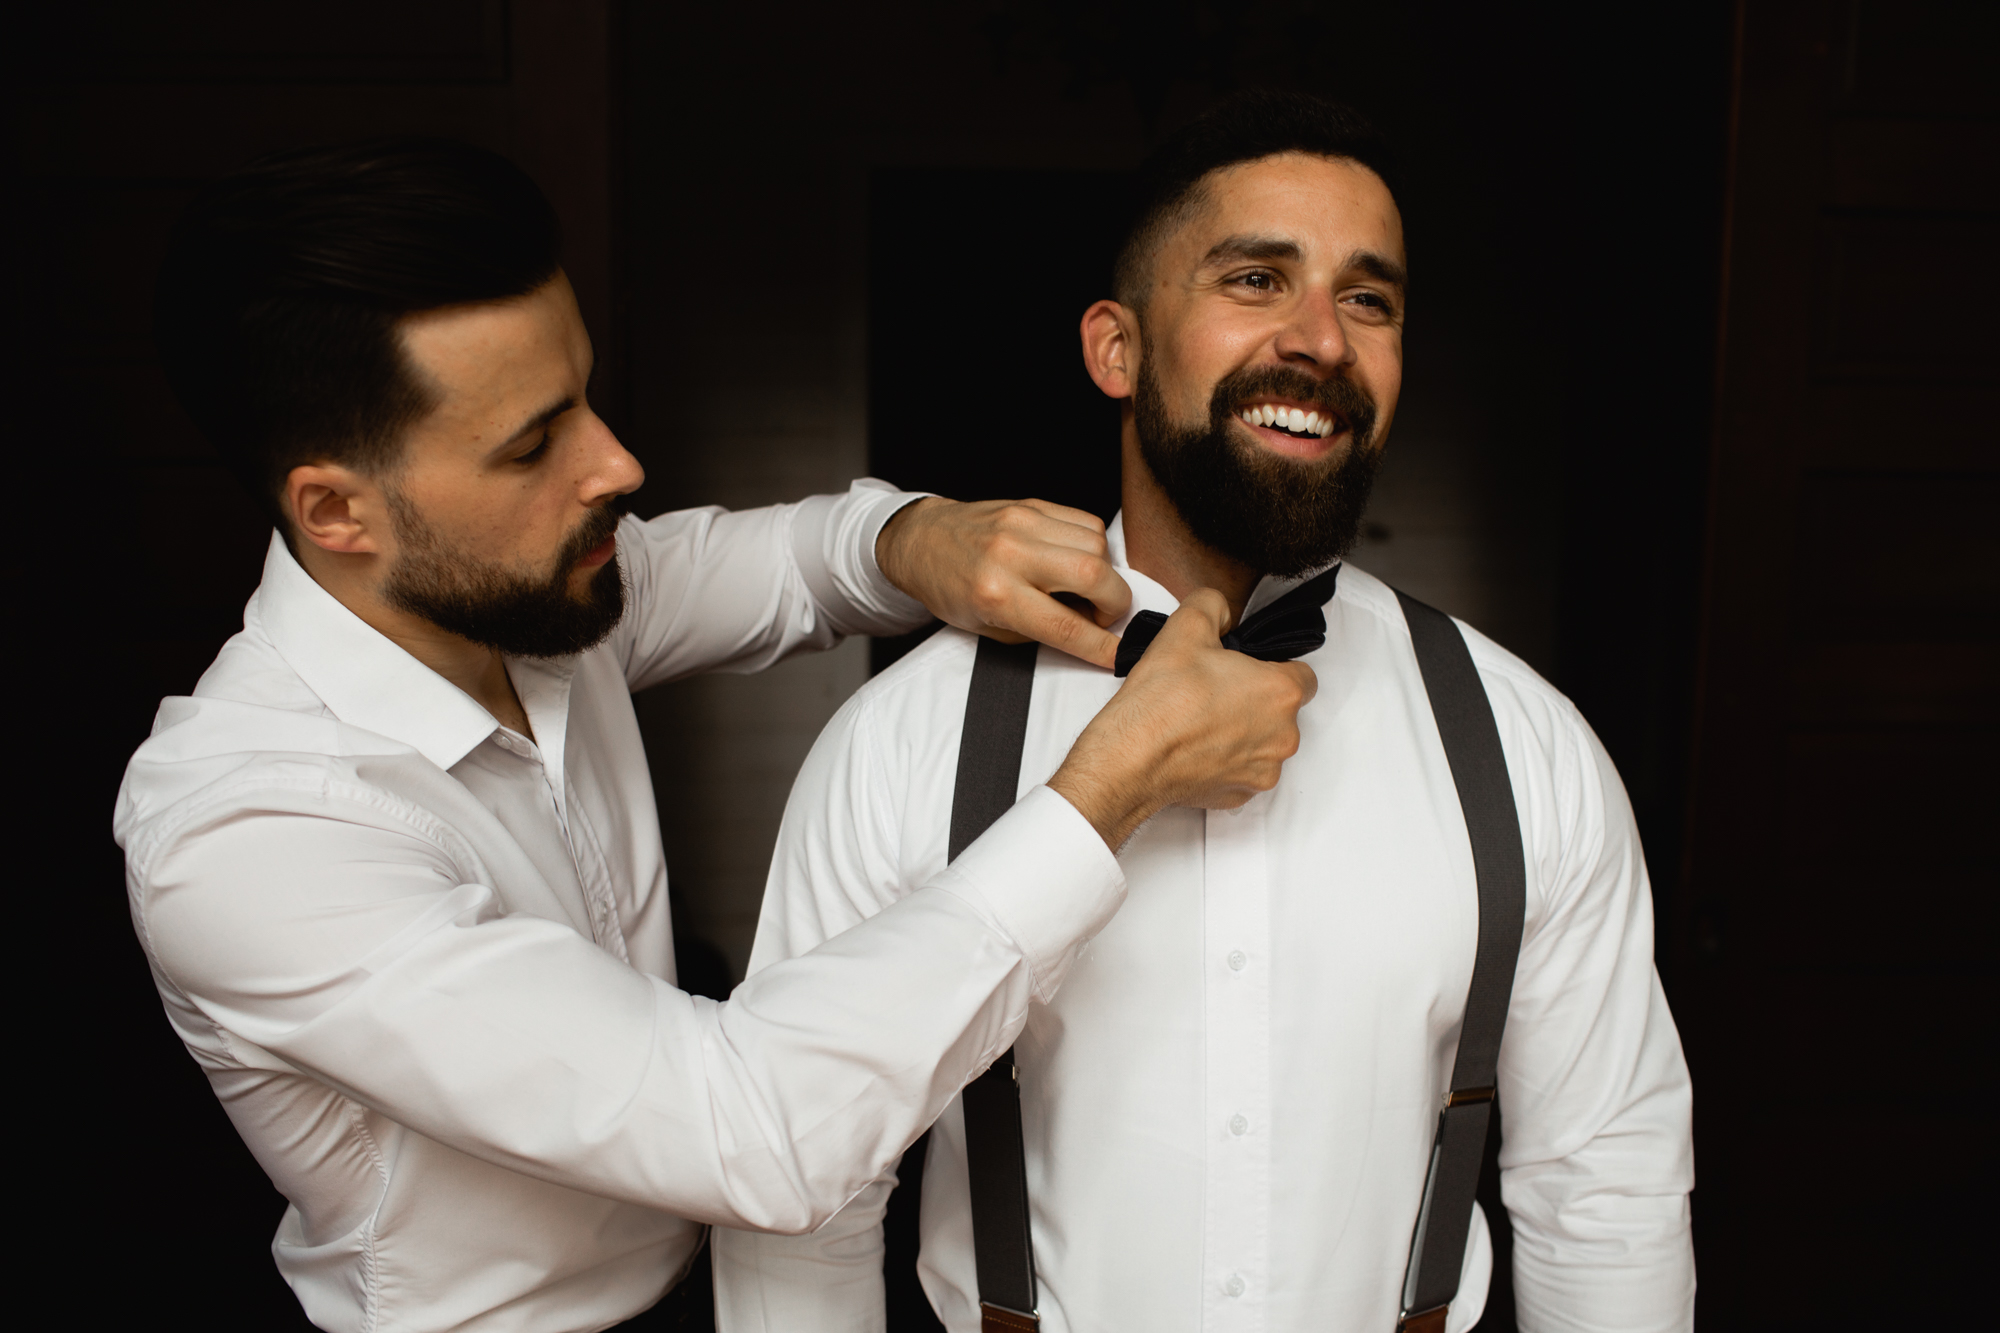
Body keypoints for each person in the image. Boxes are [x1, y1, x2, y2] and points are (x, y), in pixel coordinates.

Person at [113, 139, 1316, 1333]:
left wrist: (919, 538)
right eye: (533, 444)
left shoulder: (529, 595)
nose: (616, 464)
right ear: (336, 511)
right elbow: (756, 1131)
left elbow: (784, 562)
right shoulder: (247, 832)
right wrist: (1114, 784)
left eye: (583, 394)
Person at [713, 91, 1696, 1333]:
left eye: (1366, 298)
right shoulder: (897, 747)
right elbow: (802, 1204)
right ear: (1114, 349)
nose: (1320, 342)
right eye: (1254, 279)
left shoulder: (1524, 746)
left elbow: (1601, 1189)